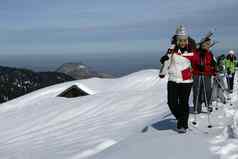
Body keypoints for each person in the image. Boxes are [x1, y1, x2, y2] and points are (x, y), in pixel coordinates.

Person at [159, 25, 195, 133]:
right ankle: (181, 118)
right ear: (177, 40)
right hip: (173, 79)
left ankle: (183, 126)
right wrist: (163, 61)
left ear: (187, 40)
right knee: (172, 103)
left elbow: (197, 62)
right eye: (180, 40)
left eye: (184, 40)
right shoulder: (171, 49)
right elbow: (167, 61)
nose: (182, 42)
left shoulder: (192, 51)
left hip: (186, 80)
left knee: (184, 103)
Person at [192, 37, 217, 114]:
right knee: (197, 91)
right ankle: (197, 107)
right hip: (197, 74)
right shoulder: (196, 52)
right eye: (205, 43)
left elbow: (213, 64)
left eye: (208, 44)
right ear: (201, 43)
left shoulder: (210, 53)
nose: (206, 45)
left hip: (207, 75)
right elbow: (192, 62)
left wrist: (214, 70)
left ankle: (208, 104)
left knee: (207, 90)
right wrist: (197, 66)